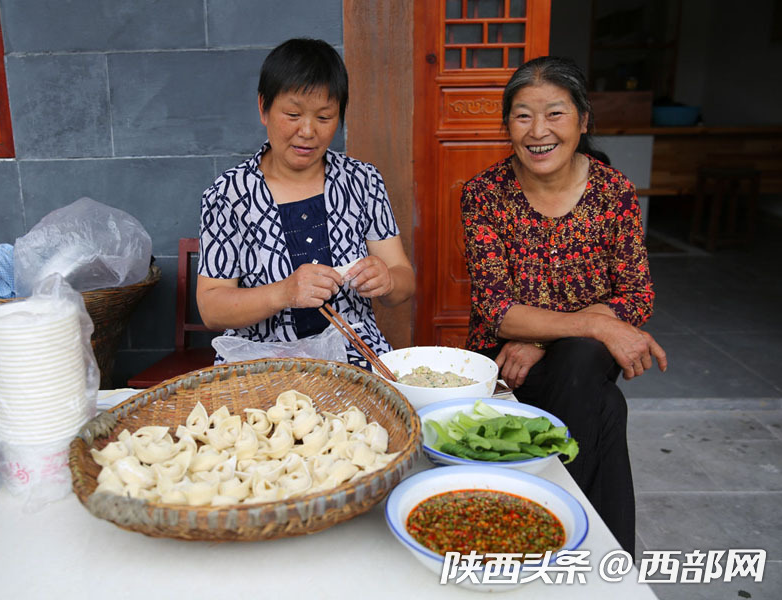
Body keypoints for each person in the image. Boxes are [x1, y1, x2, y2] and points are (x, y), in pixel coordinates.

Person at [461, 56, 668, 554]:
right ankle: (605, 560)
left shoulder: (613, 192)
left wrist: (542, 334)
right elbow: (497, 310)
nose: (538, 130)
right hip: (507, 365)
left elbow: (637, 295)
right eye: (523, 115)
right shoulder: (484, 195)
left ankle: (543, 528)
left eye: (555, 113)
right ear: (508, 124)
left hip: (569, 359)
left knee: (579, 358)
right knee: (606, 407)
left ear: (583, 120)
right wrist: (596, 324)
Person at [196, 38, 415, 368]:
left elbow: (403, 282)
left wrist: (387, 280)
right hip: (261, 363)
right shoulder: (228, 194)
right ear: (263, 108)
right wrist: (284, 292)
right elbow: (211, 308)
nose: (308, 131)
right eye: (293, 114)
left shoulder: (363, 180)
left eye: (325, 117)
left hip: (354, 357)